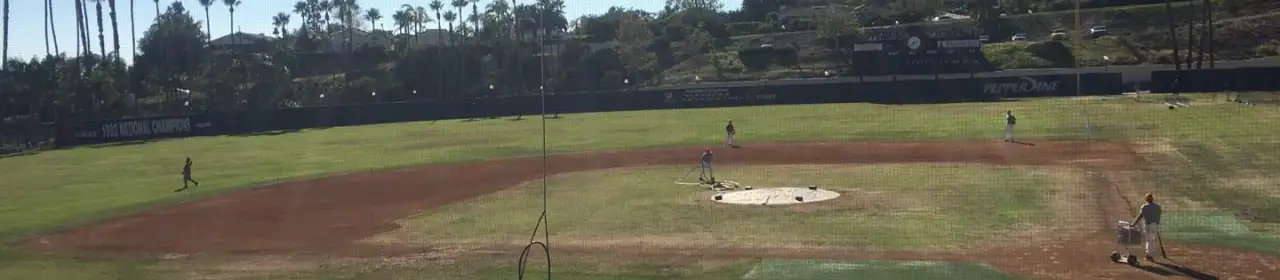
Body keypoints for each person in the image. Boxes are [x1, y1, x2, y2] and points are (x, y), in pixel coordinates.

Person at [1130, 193, 1162, 262]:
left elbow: (1140, 216)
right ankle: (1150, 254)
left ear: (1146, 199)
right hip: (1155, 225)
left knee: (1149, 241)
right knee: (1152, 240)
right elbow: (1158, 216)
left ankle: (1149, 255)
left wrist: (1133, 224)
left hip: (1148, 226)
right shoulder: (1158, 207)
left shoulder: (1144, 207)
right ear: (1152, 199)